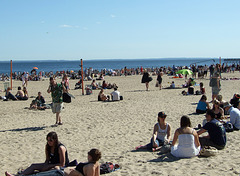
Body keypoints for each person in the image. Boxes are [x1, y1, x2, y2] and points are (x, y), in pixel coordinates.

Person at [5, 132, 69, 176]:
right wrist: (45, 166)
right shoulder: (48, 146)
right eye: (47, 140)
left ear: (55, 140)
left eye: (50, 140)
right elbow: (47, 159)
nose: (49, 142)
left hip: (60, 167)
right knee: (33, 166)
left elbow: (62, 163)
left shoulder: (60, 148)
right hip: (50, 164)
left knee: (53, 169)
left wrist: (48, 166)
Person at [5, 149, 101, 176]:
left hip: (61, 173)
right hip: (61, 171)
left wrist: (77, 173)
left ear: (91, 156)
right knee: (39, 173)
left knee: (38, 175)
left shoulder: (90, 167)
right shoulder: (96, 164)